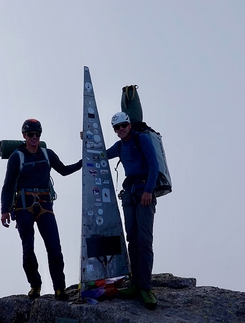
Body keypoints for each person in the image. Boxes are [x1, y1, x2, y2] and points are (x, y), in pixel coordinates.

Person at [1, 119, 82, 300]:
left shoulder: (47, 154)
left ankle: (59, 288)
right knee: (28, 248)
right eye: (31, 134)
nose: (34, 137)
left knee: (54, 247)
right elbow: (8, 186)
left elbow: (64, 170)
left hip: (45, 205)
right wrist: (4, 210)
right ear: (24, 136)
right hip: (23, 206)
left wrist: (83, 161)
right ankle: (35, 285)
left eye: (38, 134)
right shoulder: (17, 157)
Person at [106, 112, 159, 310]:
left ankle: (146, 287)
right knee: (132, 239)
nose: (121, 130)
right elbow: (102, 154)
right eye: (117, 128)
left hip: (144, 191)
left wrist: (149, 190)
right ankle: (136, 283)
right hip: (129, 194)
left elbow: (153, 165)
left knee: (144, 240)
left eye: (123, 125)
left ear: (129, 124)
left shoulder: (141, 139)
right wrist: (87, 140)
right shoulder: (120, 146)